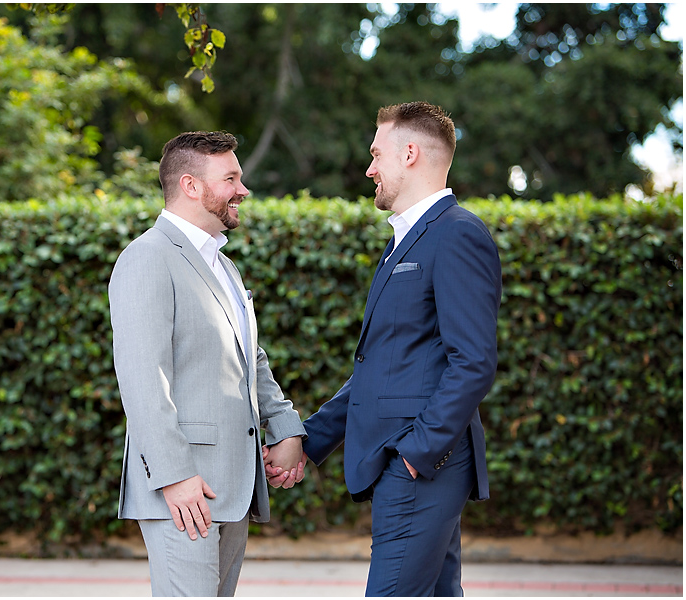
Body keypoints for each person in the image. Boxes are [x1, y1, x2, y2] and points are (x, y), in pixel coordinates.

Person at [273, 101, 502, 596]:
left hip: (420, 465)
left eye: (377, 154)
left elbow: (474, 362)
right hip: (409, 463)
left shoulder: (458, 234)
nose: (369, 168)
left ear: (411, 154)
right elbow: (384, 365)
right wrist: (309, 441)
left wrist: (417, 453)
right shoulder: (405, 242)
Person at [108, 130, 306, 597]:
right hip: (183, 490)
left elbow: (247, 359)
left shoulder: (224, 267)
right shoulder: (147, 258)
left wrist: (285, 426)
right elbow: (142, 379)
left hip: (231, 488)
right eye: (231, 178)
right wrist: (174, 477)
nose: (243, 189)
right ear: (192, 186)